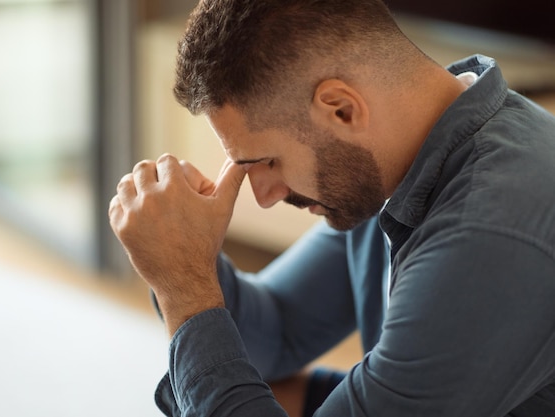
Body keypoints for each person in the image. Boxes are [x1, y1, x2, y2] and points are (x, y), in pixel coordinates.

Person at [108, 0, 555, 415]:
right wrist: (183, 252)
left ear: (341, 110)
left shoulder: (489, 232)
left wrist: (186, 290)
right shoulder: (403, 158)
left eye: (267, 161)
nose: (264, 195)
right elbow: (277, 333)